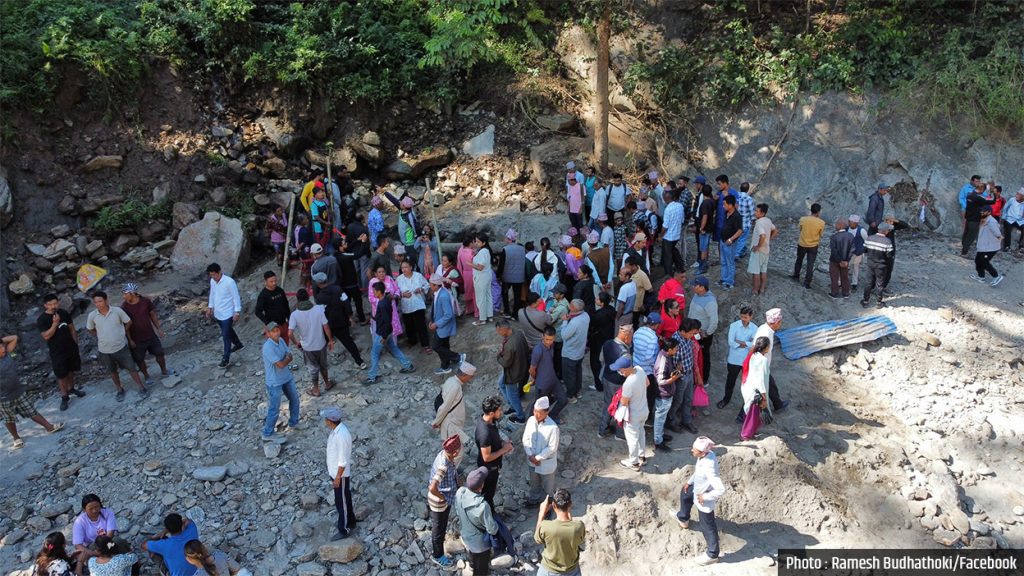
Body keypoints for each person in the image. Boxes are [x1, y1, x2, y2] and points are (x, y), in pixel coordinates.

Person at [1, 334, 64, 451]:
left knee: (31, 410)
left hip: (18, 391)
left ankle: (49, 427)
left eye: (2, 346)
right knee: (8, 418)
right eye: (0, 348)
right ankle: (16, 438)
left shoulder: (7, 354)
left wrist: (1, 341)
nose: (3, 349)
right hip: (3, 397)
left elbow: (14, 337)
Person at [87, 292, 148, 401]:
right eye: (96, 302)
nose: (98, 304)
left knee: (131, 368)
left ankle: (141, 387)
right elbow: (90, 329)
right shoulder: (92, 316)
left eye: (100, 301)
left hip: (121, 347)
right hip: (104, 349)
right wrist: (100, 335)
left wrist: (122, 332)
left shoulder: (117, 311)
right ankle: (120, 390)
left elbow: (128, 322)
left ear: (106, 300)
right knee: (112, 371)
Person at [676, 436, 726, 565]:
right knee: (685, 493)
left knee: (708, 527)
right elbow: (698, 471)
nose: (692, 450)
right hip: (697, 487)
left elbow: (720, 489)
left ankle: (712, 554)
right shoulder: (704, 456)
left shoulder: (709, 465)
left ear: (703, 452)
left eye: (695, 449)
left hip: (704, 499)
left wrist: (705, 497)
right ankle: (683, 518)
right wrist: (689, 482)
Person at [37, 293, 85, 411]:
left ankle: (72, 388)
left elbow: (72, 328)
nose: (53, 306)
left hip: (70, 347)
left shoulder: (63, 313)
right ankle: (64, 396)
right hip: (57, 351)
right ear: (45, 305)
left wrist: (75, 343)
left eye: (55, 303)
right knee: (61, 374)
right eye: (50, 304)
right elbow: (46, 336)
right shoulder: (42, 319)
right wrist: (54, 324)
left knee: (71, 370)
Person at [120, 283, 174, 385]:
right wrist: (130, 339)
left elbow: (152, 315)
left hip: (150, 335)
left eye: (125, 293)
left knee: (160, 353)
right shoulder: (124, 307)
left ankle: (164, 371)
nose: (123, 296)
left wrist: (158, 328)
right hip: (136, 339)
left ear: (132, 293)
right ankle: (146, 376)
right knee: (140, 359)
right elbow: (125, 325)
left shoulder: (145, 301)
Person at [260, 322, 302, 444]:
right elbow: (281, 364)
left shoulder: (281, 341)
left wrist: (286, 359)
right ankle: (267, 433)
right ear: (268, 333)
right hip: (274, 382)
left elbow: (289, 356)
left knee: (295, 399)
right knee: (274, 408)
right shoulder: (267, 347)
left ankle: (294, 422)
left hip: (286, 377)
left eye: (277, 330)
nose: (277, 333)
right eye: (273, 331)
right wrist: (287, 359)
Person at [314, 272, 367, 369]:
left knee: (322, 343)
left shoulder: (320, 298)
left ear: (318, 283)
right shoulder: (338, 289)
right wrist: (349, 317)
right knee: (348, 342)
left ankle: (318, 363)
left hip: (329, 325)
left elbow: (320, 314)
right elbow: (346, 302)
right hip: (342, 321)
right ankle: (360, 362)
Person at [366, 281, 415, 384]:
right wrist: (375, 317)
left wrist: (383, 337)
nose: (373, 293)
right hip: (388, 332)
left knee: (374, 353)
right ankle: (407, 365)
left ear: (379, 291)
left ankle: (372, 377)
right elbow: (386, 317)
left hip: (382, 333)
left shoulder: (382, 304)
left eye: (374, 291)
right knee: (394, 348)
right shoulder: (386, 300)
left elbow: (387, 321)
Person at [288, 289, 334, 396]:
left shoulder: (294, 315)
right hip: (321, 343)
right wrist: (331, 340)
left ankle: (316, 389)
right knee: (323, 365)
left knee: (313, 368)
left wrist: (296, 343)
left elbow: (290, 333)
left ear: (297, 300)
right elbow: (326, 326)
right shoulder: (318, 309)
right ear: (308, 297)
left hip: (307, 346)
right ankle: (327, 383)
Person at [454, 467, 499, 576]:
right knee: (482, 567)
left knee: (473, 554)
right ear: (481, 486)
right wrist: (498, 526)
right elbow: (492, 529)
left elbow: (457, 510)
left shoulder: (460, 492)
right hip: (480, 543)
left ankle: (472, 565)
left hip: (466, 535)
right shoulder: (482, 506)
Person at [428, 435, 463, 570]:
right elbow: (432, 487)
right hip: (439, 503)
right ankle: (437, 556)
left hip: (444, 497)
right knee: (439, 529)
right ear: (454, 452)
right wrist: (441, 497)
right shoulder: (444, 465)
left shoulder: (444, 455)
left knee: (440, 526)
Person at [321, 407, 357, 540]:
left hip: (339, 475)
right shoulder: (337, 431)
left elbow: (342, 461)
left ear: (330, 421)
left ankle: (344, 529)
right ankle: (351, 520)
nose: (325, 421)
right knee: (344, 498)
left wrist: (337, 478)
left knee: (341, 502)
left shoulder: (341, 436)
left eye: (326, 419)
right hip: (336, 474)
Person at [475, 395, 514, 510]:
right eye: (499, 410)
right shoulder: (484, 432)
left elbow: (495, 438)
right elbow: (486, 457)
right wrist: (504, 450)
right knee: (488, 495)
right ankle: (488, 516)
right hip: (489, 469)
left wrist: (502, 444)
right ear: (491, 413)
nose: (501, 412)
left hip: (492, 466)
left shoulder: (489, 421)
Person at [534, 489, 586, 576]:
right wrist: (568, 513)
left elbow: (537, 539)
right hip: (572, 571)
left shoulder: (546, 526)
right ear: (570, 504)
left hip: (549, 570)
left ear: (554, 505)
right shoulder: (579, 526)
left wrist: (541, 512)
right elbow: (579, 541)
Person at [523, 396, 560, 506]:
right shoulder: (531, 421)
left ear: (546, 412)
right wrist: (530, 455)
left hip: (545, 463)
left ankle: (548, 506)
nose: (536, 414)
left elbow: (552, 447)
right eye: (534, 411)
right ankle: (534, 499)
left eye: (539, 412)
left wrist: (538, 458)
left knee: (548, 487)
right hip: (531, 460)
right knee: (534, 484)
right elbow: (525, 438)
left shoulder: (553, 428)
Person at [612, 356, 648, 471]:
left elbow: (624, 401)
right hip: (644, 410)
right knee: (641, 432)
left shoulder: (628, 383)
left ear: (625, 369)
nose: (620, 372)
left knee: (632, 439)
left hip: (633, 414)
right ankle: (642, 456)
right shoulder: (639, 369)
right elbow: (647, 383)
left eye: (620, 370)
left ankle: (634, 463)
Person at [598, 323, 632, 439]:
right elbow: (626, 372)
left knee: (608, 404)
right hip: (618, 383)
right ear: (626, 337)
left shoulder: (607, 344)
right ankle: (619, 433)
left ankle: (602, 430)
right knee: (620, 407)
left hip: (606, 378)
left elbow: (601, 359)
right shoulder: (625, 354)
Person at [205, 263, 243, 368]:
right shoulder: (213, 281)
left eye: (215, 275)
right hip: (218, 312)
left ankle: (226, 359)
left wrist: (237, 311)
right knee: (228, 330)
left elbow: (236, 297)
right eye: (211, 275)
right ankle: (238, 344)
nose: (213, 277)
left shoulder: (229, 282)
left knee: (225, 336)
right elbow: (212, 294)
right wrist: (210, 307)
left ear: (220, 272)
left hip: (228, 313)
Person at [719, 306, 756, 409]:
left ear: (751, 317)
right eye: (742, 317)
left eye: (746, 317)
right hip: (734, 359)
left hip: (747, 359)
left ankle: (747, 402)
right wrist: (747, 344)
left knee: (747, 382)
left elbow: (754, 343)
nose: (743, 319)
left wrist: (741, 342)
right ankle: (726, 399)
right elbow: (731, 342)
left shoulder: (755, 328)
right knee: (730, 380)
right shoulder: (734, 326)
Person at [669, 318, 701, 434]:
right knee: (678, 400)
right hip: (680, 377)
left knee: (688, 399)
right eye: (691, 333)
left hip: (689, 373)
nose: (693, 335)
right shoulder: (676, 341)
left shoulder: (687, 338)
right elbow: (672, 362)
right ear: (683, 331)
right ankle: (671, 421)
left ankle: (686, 421)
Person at [531, 327, 568, 424]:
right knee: (539, 407)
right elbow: (532, 369)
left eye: (551, 339)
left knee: (563, 399)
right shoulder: (538, 350)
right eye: (546, 339)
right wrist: (535, 379)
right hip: (542, 384)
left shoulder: (552, 346)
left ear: (554, 338)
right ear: (542, 336)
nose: (548, 342)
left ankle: (552, 416)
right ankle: (535, 422)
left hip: (553, 380)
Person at [496, 319, 529, 424]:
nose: (498, 333)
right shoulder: (518, 333)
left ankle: (520, 416)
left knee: (512, 395)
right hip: (522, 366)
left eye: (498, 331)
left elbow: (505, 362)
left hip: (512, 372)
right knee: (501, 383)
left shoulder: (510, 344)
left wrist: (498, 355)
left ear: (504, 329)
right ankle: (512, 406)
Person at [71, 494, 119, 568]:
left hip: (107, 543)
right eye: (90, 508)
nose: (94, 510)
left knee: (118, 541)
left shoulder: (107, 512)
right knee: (91, 559)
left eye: (97, 507)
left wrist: (104, 549)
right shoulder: (80, 521)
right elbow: (78, 545)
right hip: (92, 547)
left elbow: (110, 533)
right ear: (84, 509)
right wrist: (94, 553)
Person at [429, 275, 462, 375]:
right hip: (441, 326)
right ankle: (445, 366)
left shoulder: (443, 296)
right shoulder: (438, 293)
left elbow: (449, 314)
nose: (429, 285)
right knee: (444, 346)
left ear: (435, 285)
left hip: (443, 326)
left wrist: (436, 324)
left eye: (430, 284)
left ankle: (457, 357)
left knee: (435, 346)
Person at [687, 277, 718, 386]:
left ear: (702, 287)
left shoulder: (710, 301)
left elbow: (714, 321)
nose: (692, 287)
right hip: (692, 332)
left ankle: (704, 379)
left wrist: (706, 333)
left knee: (703, 356)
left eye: (695, 285)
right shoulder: (697, 295)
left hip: (702, 335)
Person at [433, 362, 473, 444]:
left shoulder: (451, 380)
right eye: (470, 377)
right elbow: (445, 406)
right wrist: (436, 422)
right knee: (454, 445)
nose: (470, 379)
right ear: (464, 375)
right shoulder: (455, 386)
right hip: (451, 421)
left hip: (452, 419)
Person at [740, 336, 771, 440]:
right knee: (753, 414)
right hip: (756, 391)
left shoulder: (753, 355)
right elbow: (761, 379)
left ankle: (750, 431)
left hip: (748, 386)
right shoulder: (763, 360)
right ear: (766, 347)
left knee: (748, 411)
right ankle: (746, 434)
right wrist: (764, 397)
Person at [396, 260, 431, 352]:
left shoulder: (418, 276)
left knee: (421, 325)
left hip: (418, 303)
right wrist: (402, 295)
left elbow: (427, 285)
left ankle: (425, 344)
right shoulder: (399, 279)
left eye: (406, 267)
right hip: (406, 305)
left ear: (411, 267)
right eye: (402, 267)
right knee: (409, 325)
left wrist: (421, 289)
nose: (404, 269)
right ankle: (412, 341)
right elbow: (395, 292)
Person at [653, 338, 680, 452]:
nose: (677, 349)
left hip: (665, 393)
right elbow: (660, 381)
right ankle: (658, 441)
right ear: (669, 350)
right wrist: (673, 379)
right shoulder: (663, 361)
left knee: (661, 417)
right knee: (660, 418)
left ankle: (660, 436)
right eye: (676, 348)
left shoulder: (664, 354)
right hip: (663, 394)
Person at [560, 299, 590, 402]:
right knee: (578, 372)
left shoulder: (574, 322)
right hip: (580, 351)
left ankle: (570, 395)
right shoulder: (586, 316)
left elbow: (564, 335)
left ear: (574, 309)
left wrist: (564, 321)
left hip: (570, 353)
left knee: (569, 375)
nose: (569, 306)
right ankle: (578, 391)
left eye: (570, 306)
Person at [860, 223, 895, 308]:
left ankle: (865, 301)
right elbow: (889, 256)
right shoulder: (887, 241)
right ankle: (879, 302)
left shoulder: (869, 238)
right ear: (885, 231)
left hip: (870, 264)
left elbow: (864, 250)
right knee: (880, 283)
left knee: (868, 282)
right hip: (881, 265)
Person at [791, 203, 825, 288]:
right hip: (813, 245)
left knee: (799, 260)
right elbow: (821, 234)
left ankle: (796, 276)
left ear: (811, 210)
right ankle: (807, 283)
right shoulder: (821, 222)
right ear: (818, 212)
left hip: (802, 243)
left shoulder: (803, 219)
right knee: (810, 264)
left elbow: (800, 229)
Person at [587, 292, 615, 393]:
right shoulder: (611, 310)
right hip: (609, 338)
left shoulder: (599, 315)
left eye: (598, 299)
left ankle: (599, 384)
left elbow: (592, 326)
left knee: (595, 362)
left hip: (598, 340)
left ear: (602, 303)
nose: (596, 300)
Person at [747, 203, 777, 296]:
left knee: (755, 271)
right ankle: (762, 289)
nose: (755, 212)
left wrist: (758, 246)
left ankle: (755, 290)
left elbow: (762, 235)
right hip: (766, 249)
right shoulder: (768, 220)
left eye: (757, 211)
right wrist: (769, 239)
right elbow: (775, 230)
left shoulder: (759, 223)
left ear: (762, 213)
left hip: (759, 251)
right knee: (763, 270)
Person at [254, 271, 292, 344]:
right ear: (265, 281)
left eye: (275, 281)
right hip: (273, 327)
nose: (274, 283)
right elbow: (258, 311)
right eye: (271, 281)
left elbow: (286, 305)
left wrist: (289, 318)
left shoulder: (280, 291)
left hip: (283, 323)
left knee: (286, 344)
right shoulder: (263, 295)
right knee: (275, 346)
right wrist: (268, 322)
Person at [962, 183, 996, 257]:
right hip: (975, 220)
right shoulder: (978, 198)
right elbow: (993, 201)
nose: (984, 192)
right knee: (971, 236)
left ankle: (964, 249)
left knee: (966, 234)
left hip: (968, 218)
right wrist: (993, 192)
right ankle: (964, 253)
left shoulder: (970, 194)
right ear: (981, 189)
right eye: (984, 190)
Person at [974, 207, 1005, 286]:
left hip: (990, 247)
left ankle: (996, 276)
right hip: (983, 246)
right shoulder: (984, 220)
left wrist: (999, 238)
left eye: (983, 212)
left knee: (984, 262)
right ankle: (981, 277)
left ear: (989, 212)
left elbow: (997, 233)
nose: (981, 213)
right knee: (977, 261)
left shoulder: (991, 222)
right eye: (981, 211)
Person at [499, 229, 526, 317]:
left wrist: (499, 275)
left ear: (509, 239)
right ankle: (515, 313)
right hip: (519, 277)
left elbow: (501, 264)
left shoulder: (505, 249)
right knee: (517, 295)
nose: (505, 240)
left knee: (505, 293)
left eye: (506, 238)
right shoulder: (522, 249)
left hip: (507, 277)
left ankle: (507, 311)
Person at [717, 195, 742, 290]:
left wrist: (731, 239)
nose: (723, 206)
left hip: (730, 243)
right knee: (723, 261)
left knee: (730, 262)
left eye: (724, 204)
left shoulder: (737, 216)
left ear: (730, 205)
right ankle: (724, 279)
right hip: (723, 240)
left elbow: (740, 231)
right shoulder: (726, 213)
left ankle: (729, 282)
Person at [661, 188, 686, 276]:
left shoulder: (668, 209)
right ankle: (680, 267)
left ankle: (668, 274)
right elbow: (682, 220)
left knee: (668, 256)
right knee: (674, 251)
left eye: (664, 198)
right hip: (676, 234)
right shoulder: (680, 206)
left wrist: (660, 236)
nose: (664, 199)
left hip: (668, 236)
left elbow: (665, 226)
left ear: (668, 199)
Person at [828, 217, 854, 299]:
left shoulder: (834, 237)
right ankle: (846, 293)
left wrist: (839, 261)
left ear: (840, 225)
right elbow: (852, 249)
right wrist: (846, 260)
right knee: (845, 276)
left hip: (834, 261)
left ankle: (834, 293)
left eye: (836, 224)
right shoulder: (850, 236)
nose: (835, 226)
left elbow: (834, 251)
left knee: (834, 276)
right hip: (846, 260)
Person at [471, 233, 494, 325]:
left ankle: (482, 319)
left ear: (483, 243)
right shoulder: (485, 251)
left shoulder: (483, 251)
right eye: (475, 241)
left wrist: (470, 264)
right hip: (486, 276)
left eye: (478, 241)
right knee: (488, 296)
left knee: (481, 297)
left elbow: (480, 267)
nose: (476, 243)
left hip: (481, 277)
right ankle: (489, 315)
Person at [695, 183, 715, 275]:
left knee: (703, 248)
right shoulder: (712, 201)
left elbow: (705, 216)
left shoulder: (704, 203)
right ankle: (705, 264)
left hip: (705, 229)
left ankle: (702, 266)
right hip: (710, 227)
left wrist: (701, 227)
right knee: (706, 246)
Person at [457, 237, 478, 318]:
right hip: (473, 272)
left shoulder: (461, 251)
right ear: (470, 244)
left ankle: (469, 309)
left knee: (468, 292)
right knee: (475, 293)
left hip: (465, 273)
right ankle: (476, 311)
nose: (474, 244)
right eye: (473, 242)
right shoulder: (472, 253)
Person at [734, 182, 756, 259]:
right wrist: (753, 221)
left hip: (734, 222)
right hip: (745, 223)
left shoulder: (735, 196)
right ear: (748, 189)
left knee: (736, 238)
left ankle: (737, 251)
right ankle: (736, 254)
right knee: (742, 239)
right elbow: (752, 212)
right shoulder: (748, 199)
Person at [847, 214, 868, 288]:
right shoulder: (847, 228)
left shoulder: (862, 230)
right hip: (848, 252)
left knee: (856, 267)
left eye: (850, 221)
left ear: (855, 223)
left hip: (858, 252)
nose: (848, 222)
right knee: (847, 266)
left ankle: (854, 283)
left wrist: (863, 250)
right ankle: (843, 281)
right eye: (849, 221)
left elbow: (866, 240)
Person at [1001, 188, 1024, 253]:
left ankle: (1022, 246)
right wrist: (1003, 217)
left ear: (1023, 197)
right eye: (1017, 194)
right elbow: (1005, 208)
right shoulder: (1012, 200)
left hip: (1020, 221)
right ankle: (1007, 246)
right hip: (1010, 219)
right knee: (1008, 230)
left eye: (1018, 195)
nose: (1016, 195)